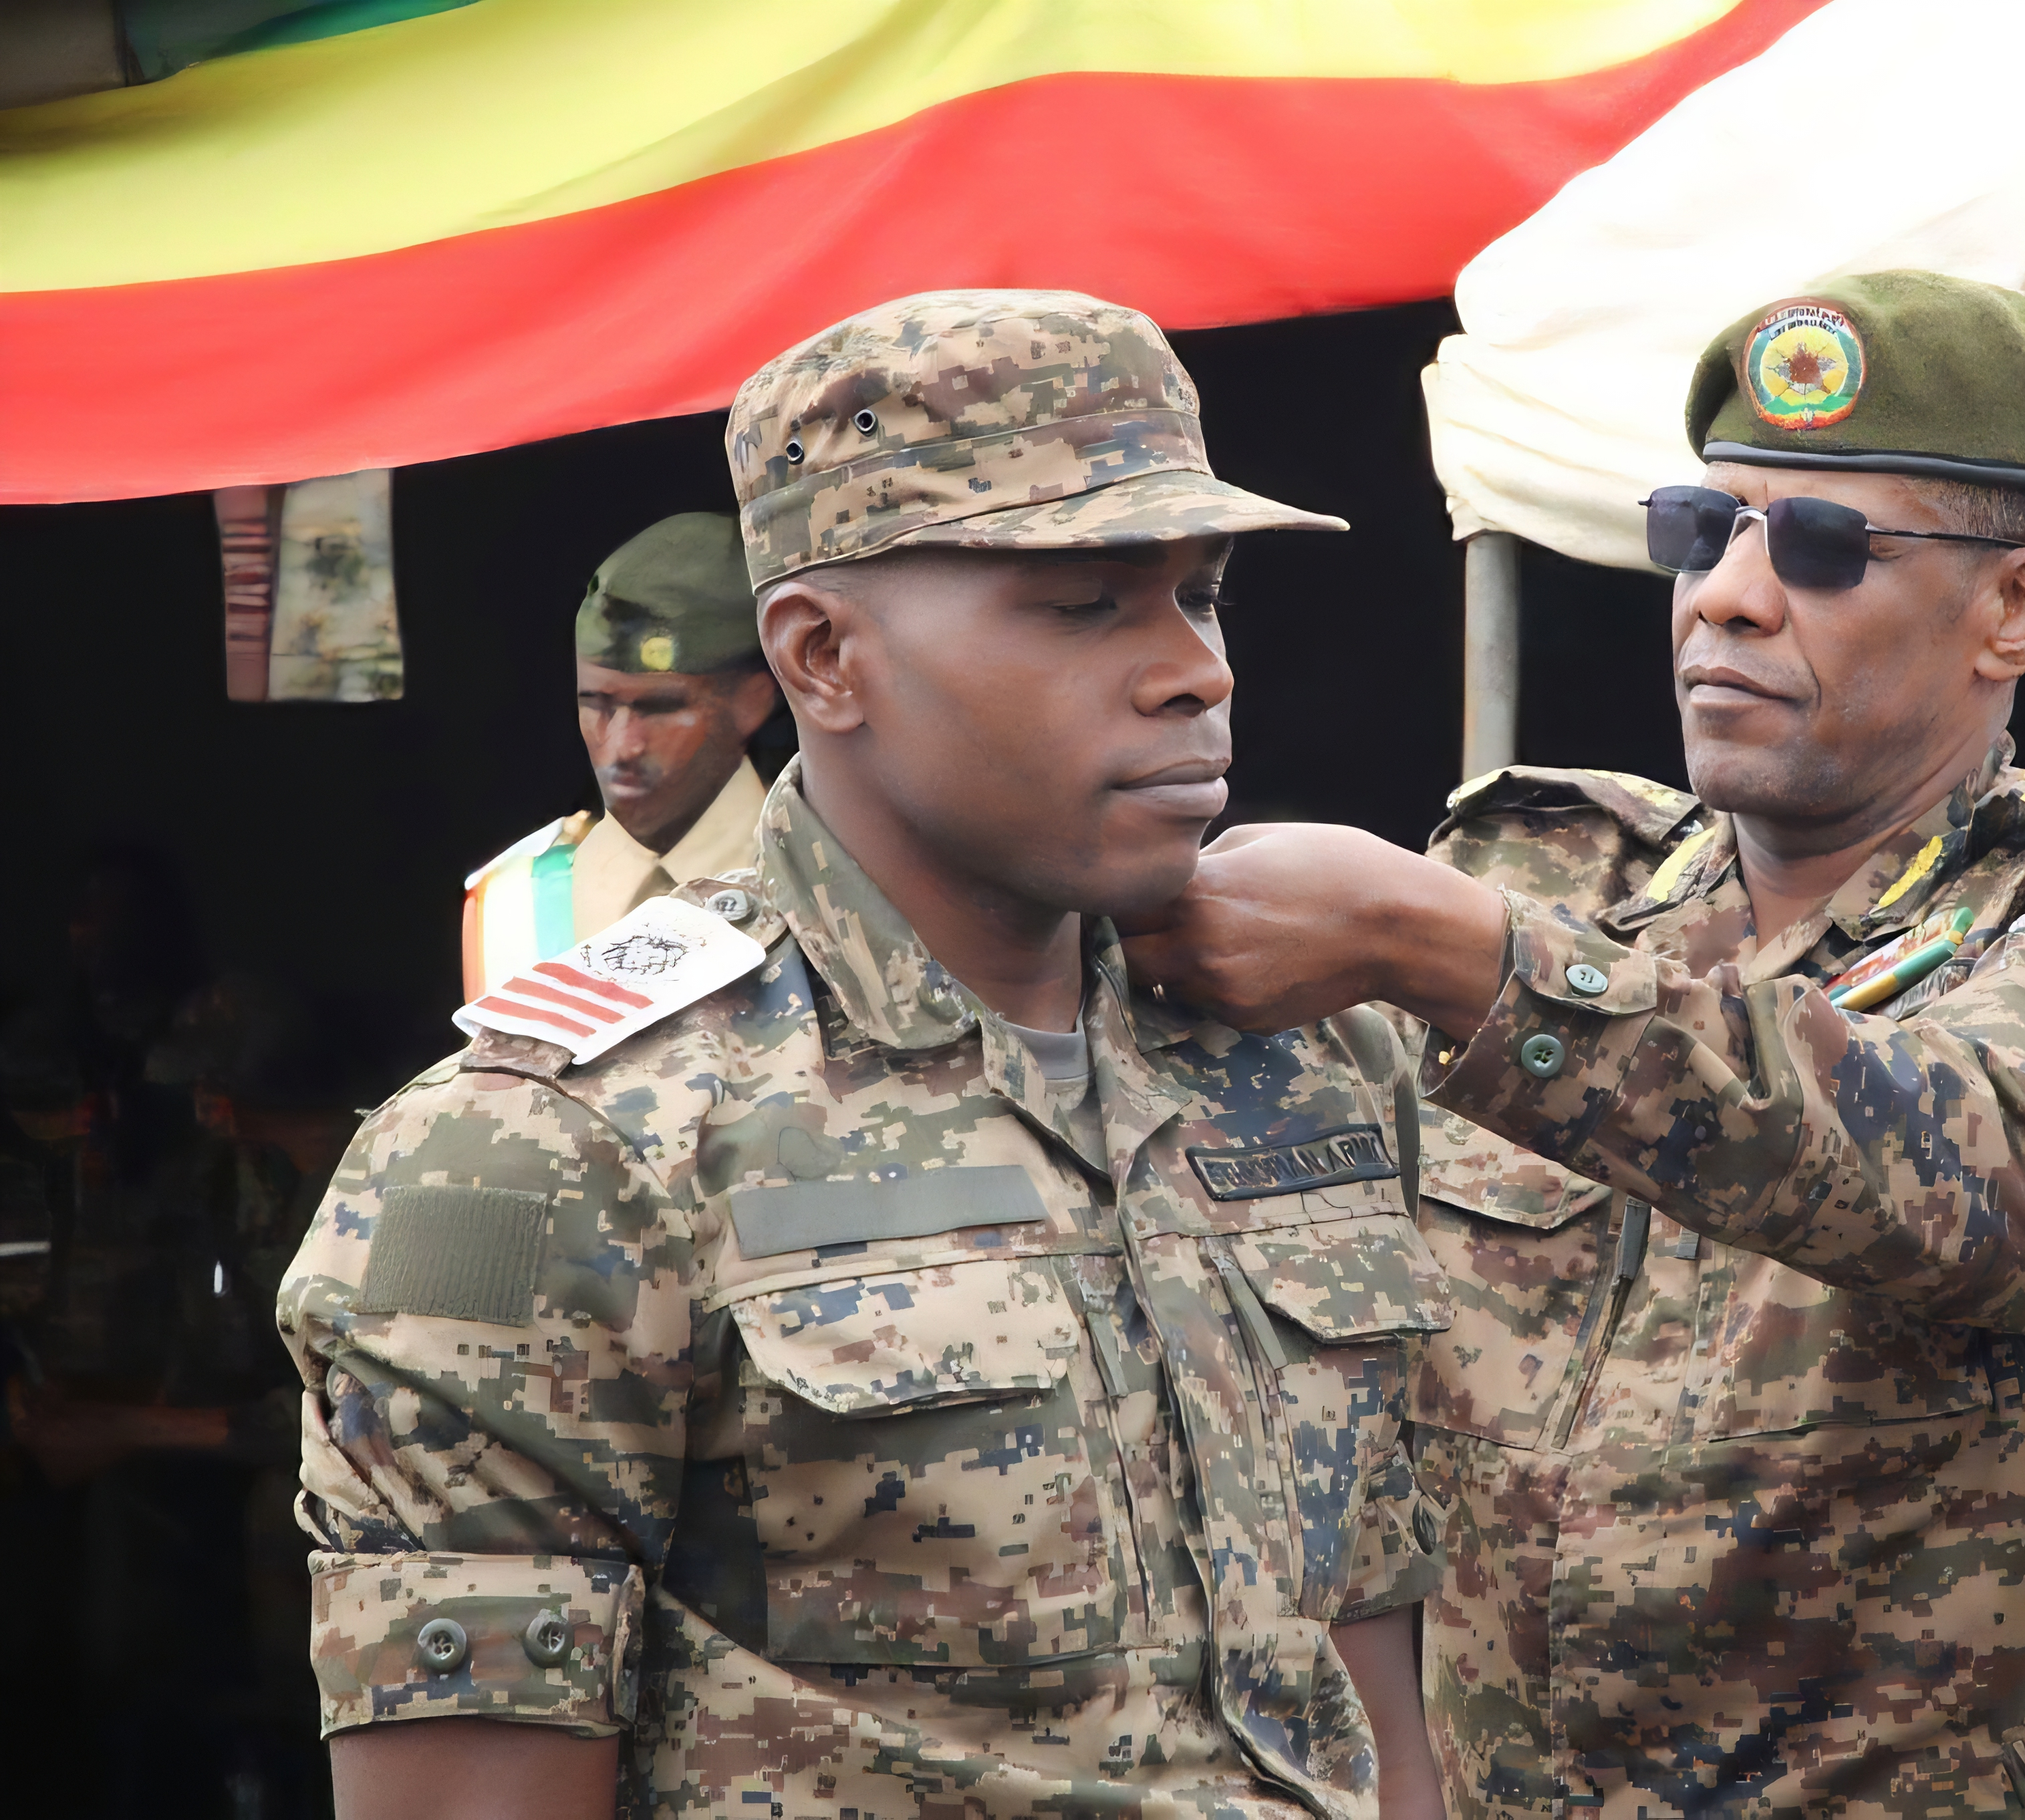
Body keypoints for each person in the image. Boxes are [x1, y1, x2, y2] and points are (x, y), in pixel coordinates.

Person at [281, 291, 1450, 1819]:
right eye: (1086, 604)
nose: (1193, 670)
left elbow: (1370, 1709)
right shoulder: (542, 1148)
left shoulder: (1300, 1055)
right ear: (825, 658)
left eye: (1203, 593)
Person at [1125, 272, 2025, 1813]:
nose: (1727, 593)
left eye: (1822, 548)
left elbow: (2000, 1184)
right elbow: (1321, 1345)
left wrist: (1444, 957)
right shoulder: (1544, 876)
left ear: (2017, 608)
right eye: (1703, 527)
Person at [460, 512, 784, 1000]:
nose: (621, 745)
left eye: (659, 708)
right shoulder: (517, 901)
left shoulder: (826, 876)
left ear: (752, 702)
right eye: (596, 705)